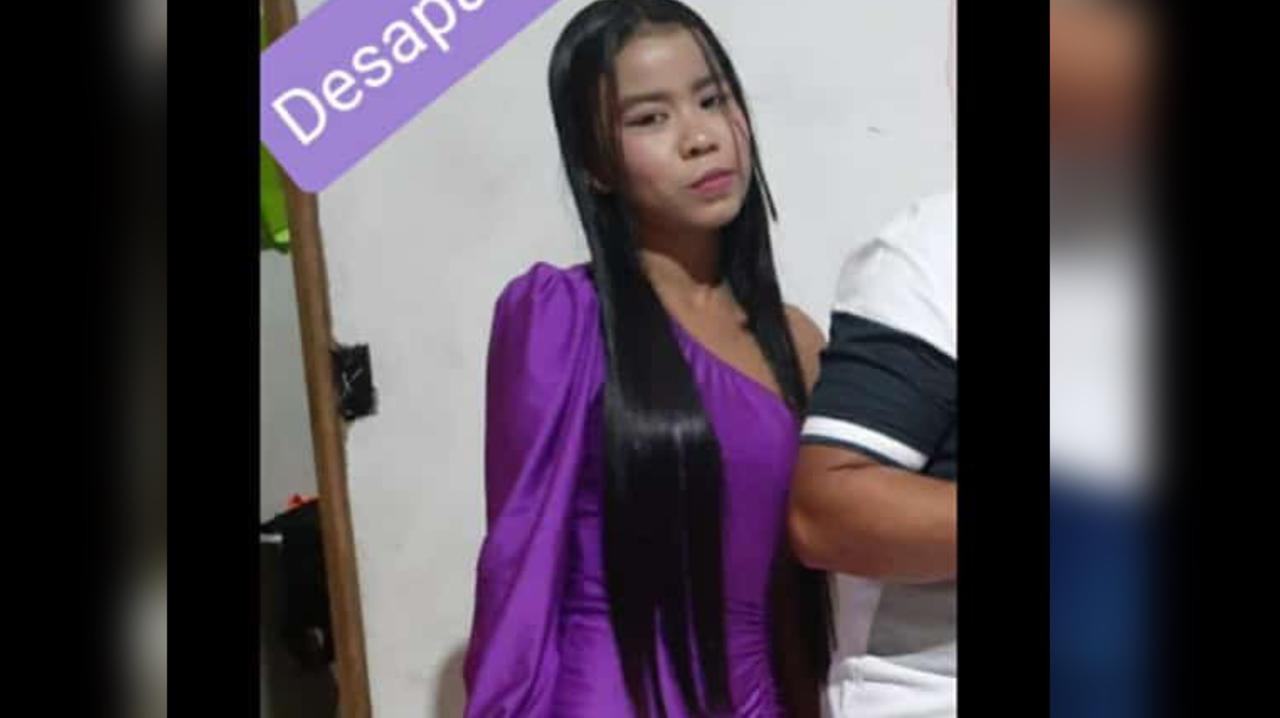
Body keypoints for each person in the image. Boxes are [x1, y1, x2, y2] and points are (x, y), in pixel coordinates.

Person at [463, 1, 831, 715]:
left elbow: (802, 585)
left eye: (711, 99)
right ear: (596, 164)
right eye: (650, 118)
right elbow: (519, 562)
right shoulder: (559, 317)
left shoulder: (797, 341)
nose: (699, 137)